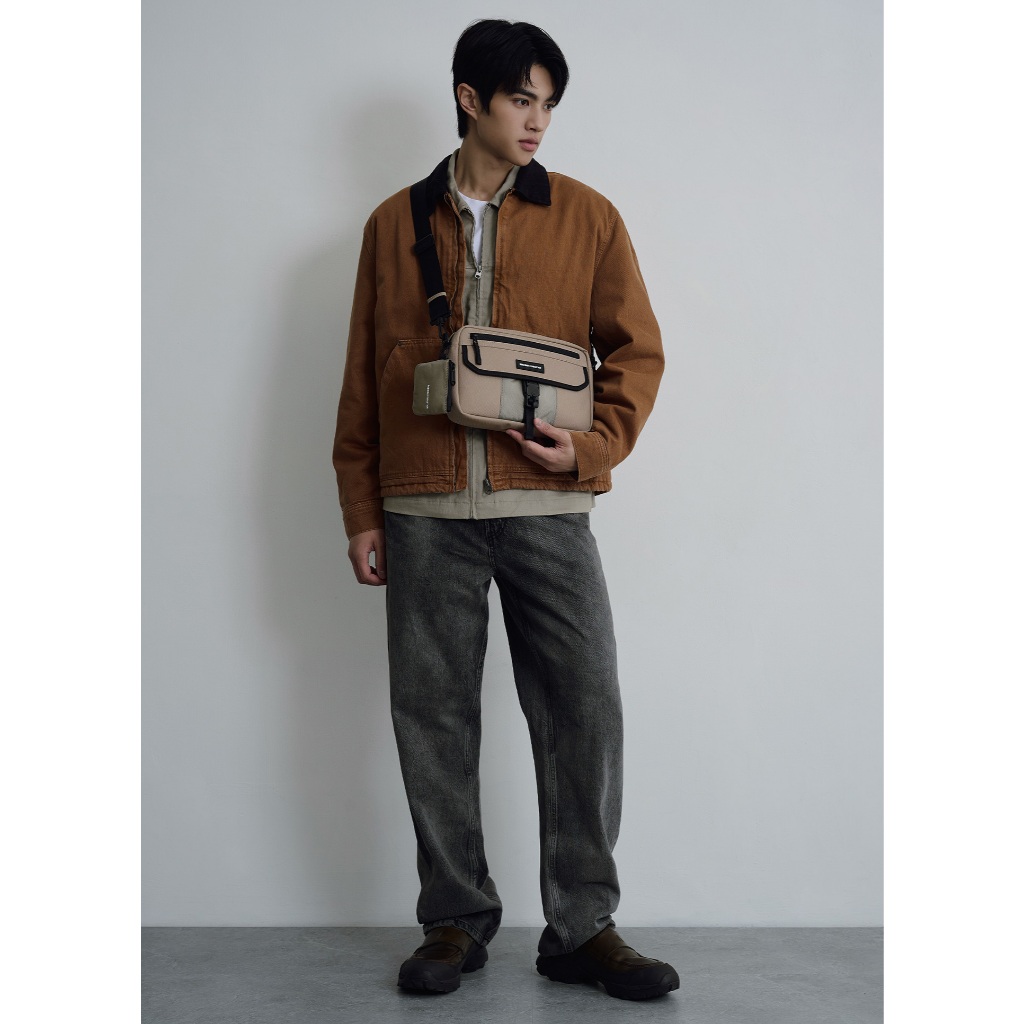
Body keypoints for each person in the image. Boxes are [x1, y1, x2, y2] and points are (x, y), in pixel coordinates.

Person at [332, 19, 677, 1002]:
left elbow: (637, 354)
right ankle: (453, 918)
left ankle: (581, 926)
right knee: (431, 714)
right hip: (423, 508)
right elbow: (362, 379)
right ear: (470, 99)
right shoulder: (393, 224)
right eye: (522, 98)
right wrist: (362, 506)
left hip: (547, 502)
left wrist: (592, 447)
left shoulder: (587, 217)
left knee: (583, 705)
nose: (538, 121)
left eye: (548, 104)